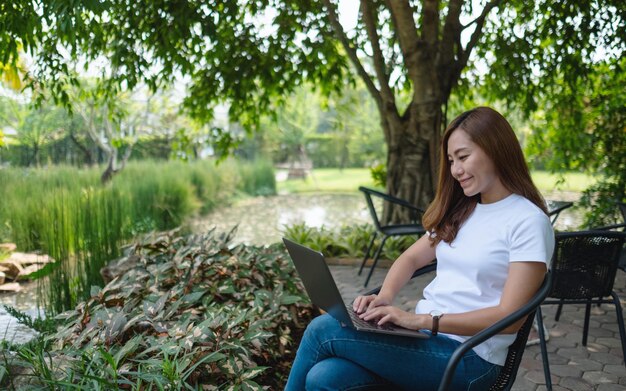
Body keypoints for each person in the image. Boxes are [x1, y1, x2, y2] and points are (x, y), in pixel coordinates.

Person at [284, 107, 555, 390]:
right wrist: (385, 297)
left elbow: (508, 319)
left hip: (470, 359)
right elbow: (411, 257)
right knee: (324, 377)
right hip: (426, 341)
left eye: (463, 157)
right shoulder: (463, 211)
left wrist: (420, 320)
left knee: (322, 330)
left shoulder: (528, 221)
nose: (455, 170)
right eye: (451, 160)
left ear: (495, 150)